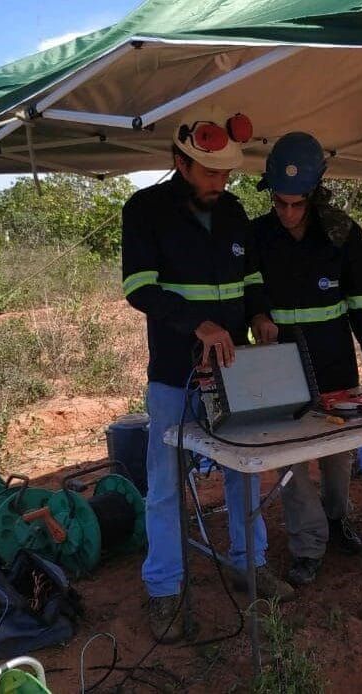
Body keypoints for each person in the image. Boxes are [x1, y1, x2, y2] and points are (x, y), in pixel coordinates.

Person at [121, 105, 294, 643]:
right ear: (180, 162)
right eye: (211, 173)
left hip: (231, 372)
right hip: (174, 374)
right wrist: (199, 325)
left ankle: (251, 565)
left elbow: (254, 278)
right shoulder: (145, 209)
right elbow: (139, 288)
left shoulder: (235, 211)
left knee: (244, 468)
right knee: (167, 485)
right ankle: (166, 590)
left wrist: (260, 314)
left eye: (226, 173)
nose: (221, 182)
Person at [251, 131, 362, 586]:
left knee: (338, 451)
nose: (288, 213)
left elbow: (361, 303)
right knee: (293, 456)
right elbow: (247, 290)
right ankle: (308, 545)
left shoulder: (343, 233)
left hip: (337, 361)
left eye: (297, 204)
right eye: (280, 203)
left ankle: (337, 521)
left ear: (315, 192)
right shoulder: (257, 236)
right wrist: (258, 314)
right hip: (282, 366)